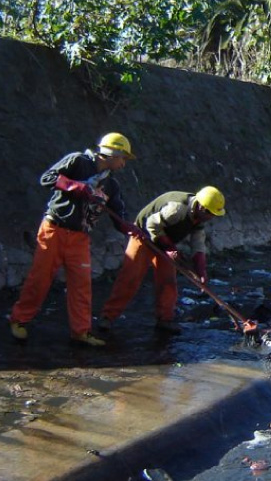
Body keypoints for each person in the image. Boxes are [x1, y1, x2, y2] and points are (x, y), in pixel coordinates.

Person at [9, 133, 138, 346]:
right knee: (39, 279)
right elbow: (47, 178)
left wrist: (132, 230)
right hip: (54, 229)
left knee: (81, 285)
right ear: (111, 154)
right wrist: (78, 187)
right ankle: (19, 320)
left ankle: (80, 331)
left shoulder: (111, 186)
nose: (124, 163)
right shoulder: (77, 161)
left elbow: (119, 216)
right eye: (122, 158)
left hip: (80, 237)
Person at [98, 186, 226, 335]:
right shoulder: (177, 208)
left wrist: (201, 270)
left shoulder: (199, 218)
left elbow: (198, 245)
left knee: (168, 282)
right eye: (210, 213)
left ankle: (165, 320)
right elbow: (152, 224)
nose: (212, 217)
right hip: (143, 237)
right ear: (201, 207)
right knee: (130, 278)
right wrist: (170, 248)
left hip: (165, 242)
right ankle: (107, 317)